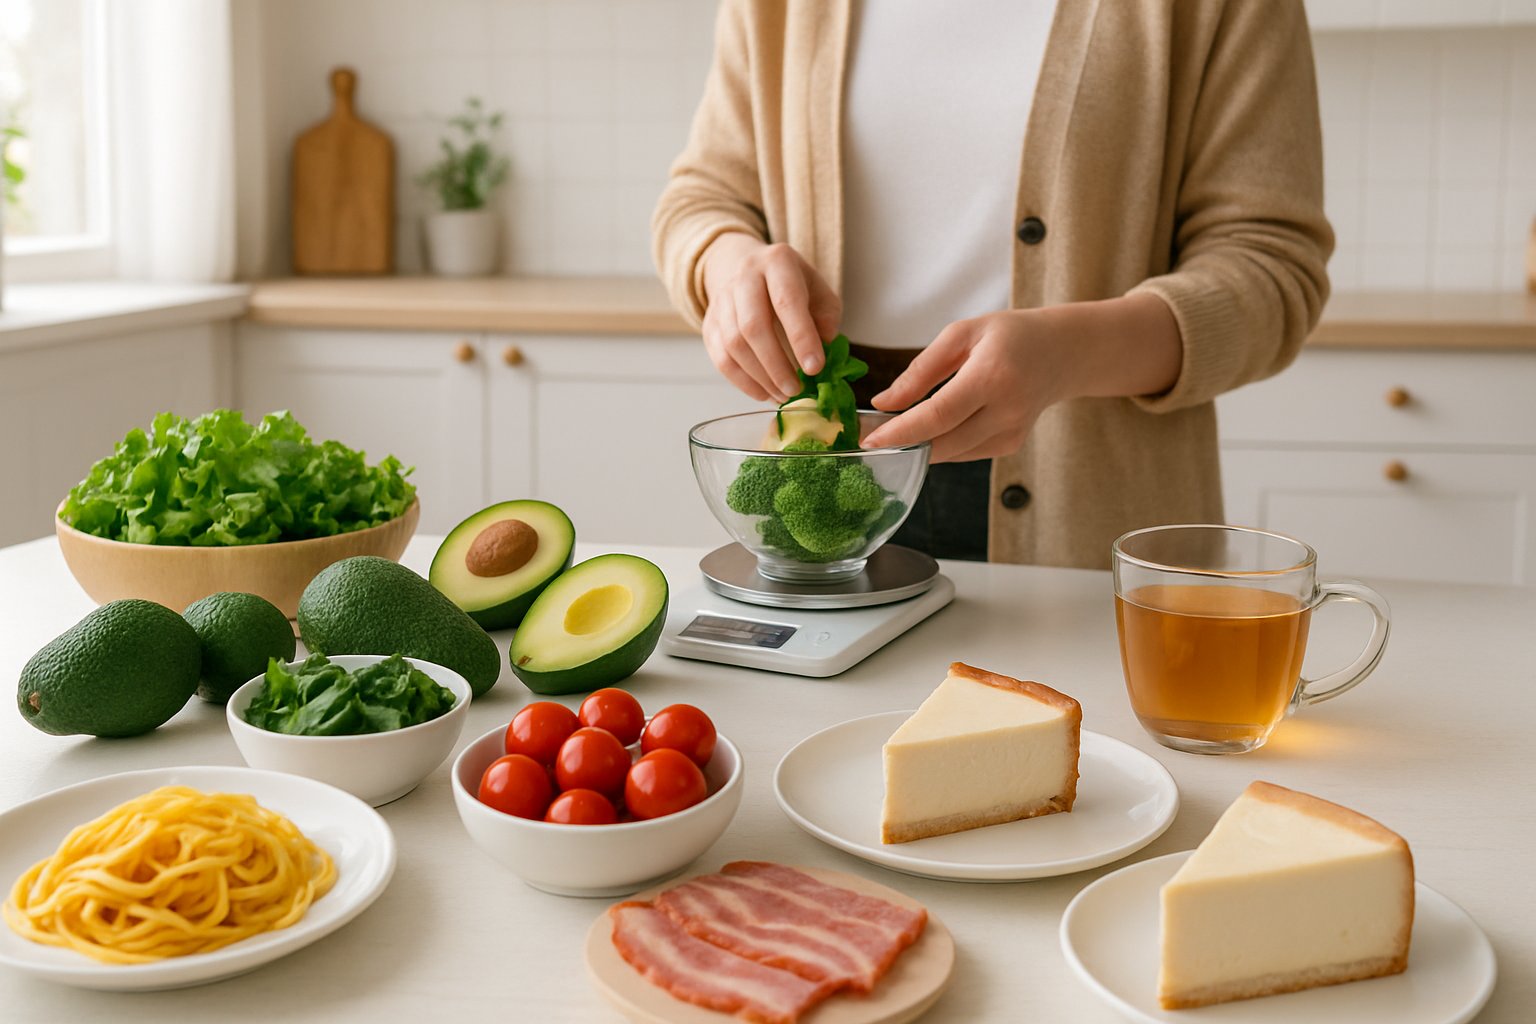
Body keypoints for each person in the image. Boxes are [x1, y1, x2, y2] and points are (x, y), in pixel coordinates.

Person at [653, 0, 1332, 569]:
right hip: (825, 490)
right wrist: (723, 261)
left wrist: (1070, 353)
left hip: (1089, 506)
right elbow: (705, 195)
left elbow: (1272, 266)